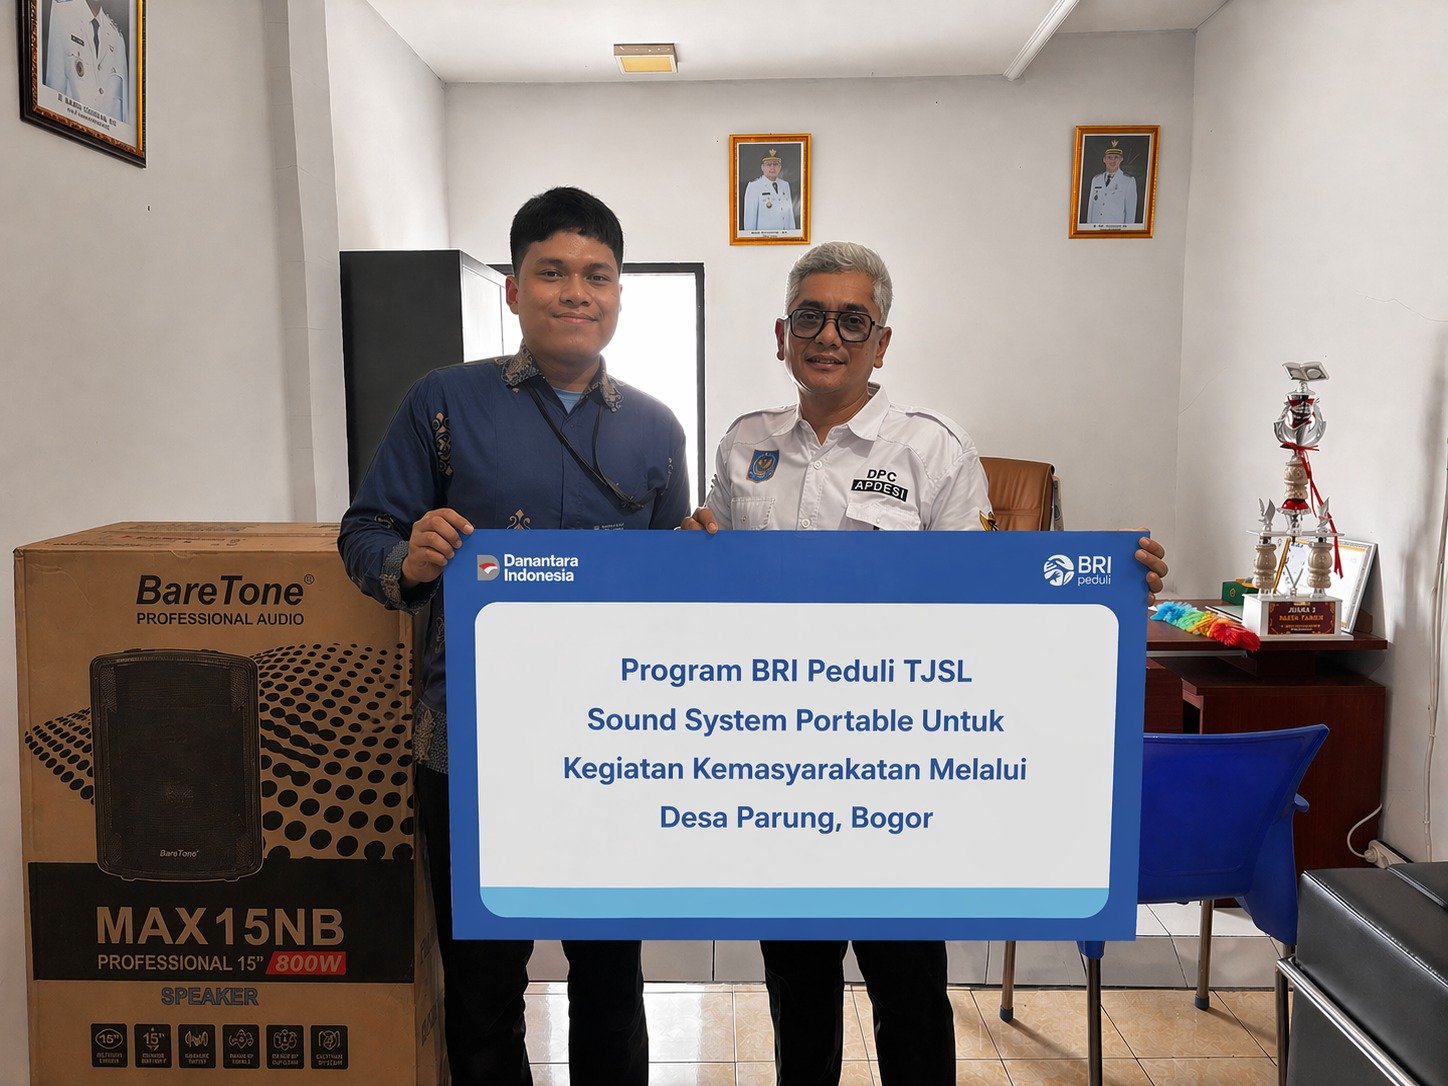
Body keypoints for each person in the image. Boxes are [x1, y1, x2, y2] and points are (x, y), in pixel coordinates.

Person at [683, 241, 1168, 1085]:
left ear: (882, 342)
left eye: (853, 321)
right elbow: (713, 576)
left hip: (896, 765)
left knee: (907, 988)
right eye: (810, 316)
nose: (828, 335)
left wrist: (1117, 584)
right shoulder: (743, 443)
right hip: (777, 762)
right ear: (781, 334)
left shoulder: (931, 450)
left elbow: (986, 601)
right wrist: (687, 553)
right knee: (796, 985)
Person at [339, 187, 689, 1085]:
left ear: (620, 294)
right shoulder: (442, 403)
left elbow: (672, 597)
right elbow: (363, 532)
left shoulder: (656, 429)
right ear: (513, 289)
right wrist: (409, 557)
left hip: (614, 749)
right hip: (472, 747)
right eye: (553, 272)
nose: (576, 292)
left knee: (610, 979)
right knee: (483, 986)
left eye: (597, 275)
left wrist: (699, 562)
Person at [44, 0, 128, 122]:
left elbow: (123, 117)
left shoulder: (117, 38)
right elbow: (55, 87)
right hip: (68, 126)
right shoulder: (63, 13)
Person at [1085, 140, 1139, 226]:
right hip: (1096, 229)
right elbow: (1090, 208)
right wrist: (1089, 228)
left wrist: (1126, 231)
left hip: (1115, 230)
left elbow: (1130, 214)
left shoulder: (1128, 181)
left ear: (1121, 159)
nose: (1112, 160)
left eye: (1116, 157)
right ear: (1104, 159)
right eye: (1109, 157)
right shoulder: (1096, 180)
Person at [742, 149, 797, 232]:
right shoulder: (754, 186)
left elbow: (790, 216)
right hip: (764, 237)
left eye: (775, 164)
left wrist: (793, 234)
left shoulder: (785, 185)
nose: (772, 167)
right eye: (769, 164)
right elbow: (750, 222)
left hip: (785, 236)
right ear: (762, 167)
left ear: (780, 167)